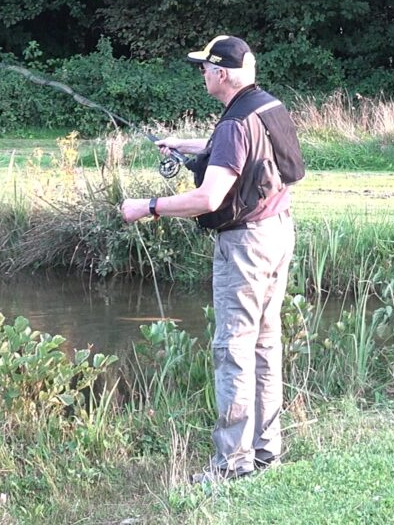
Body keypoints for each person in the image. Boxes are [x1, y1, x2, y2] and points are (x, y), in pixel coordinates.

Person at [120, 34, 302, 483]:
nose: (201, 72)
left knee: (233, 349)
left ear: (221, 73)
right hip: (277, 233)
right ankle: (265, 452)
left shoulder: (235, 124)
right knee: (264, 344)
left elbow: (209, 196)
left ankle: (232, 465)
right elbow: (240, 147)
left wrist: (148, 207)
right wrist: (188, 145)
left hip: (245, 247)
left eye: (204, 67)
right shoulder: (264, 106)